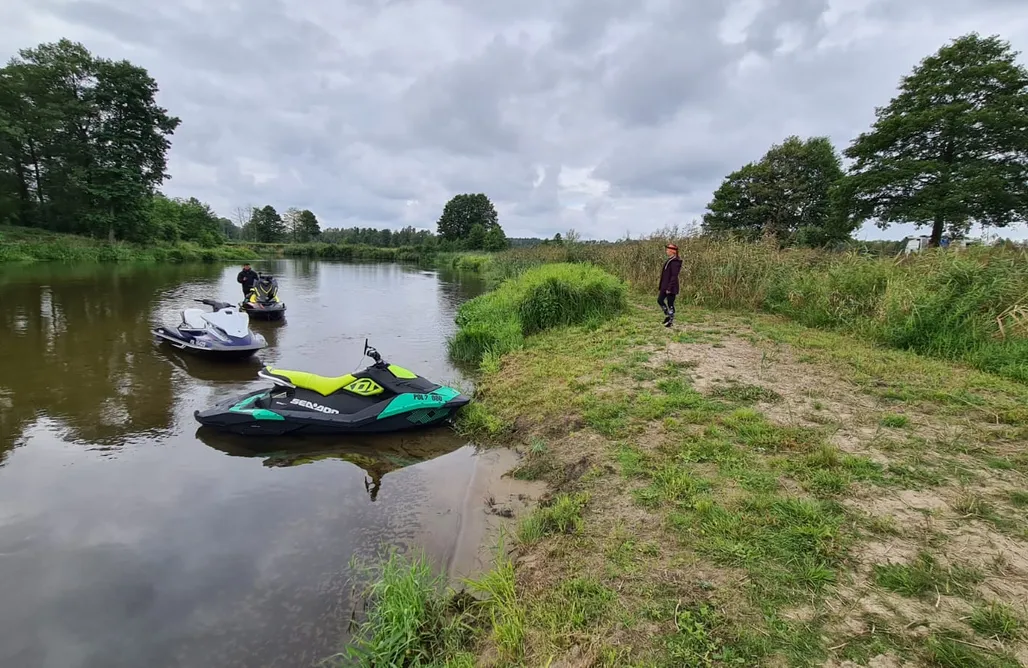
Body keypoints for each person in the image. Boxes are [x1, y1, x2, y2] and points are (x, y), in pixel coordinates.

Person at [658, 243, 682, 327]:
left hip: (671, 286)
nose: (666, 251)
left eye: (668, 249)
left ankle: (670, 320)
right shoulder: (670, 260)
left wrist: (669, 287)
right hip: (665, 285)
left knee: (670, 303)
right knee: (660, 300)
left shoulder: (675, 262)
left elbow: (674, 276)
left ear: (673, 251)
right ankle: (668, 315)